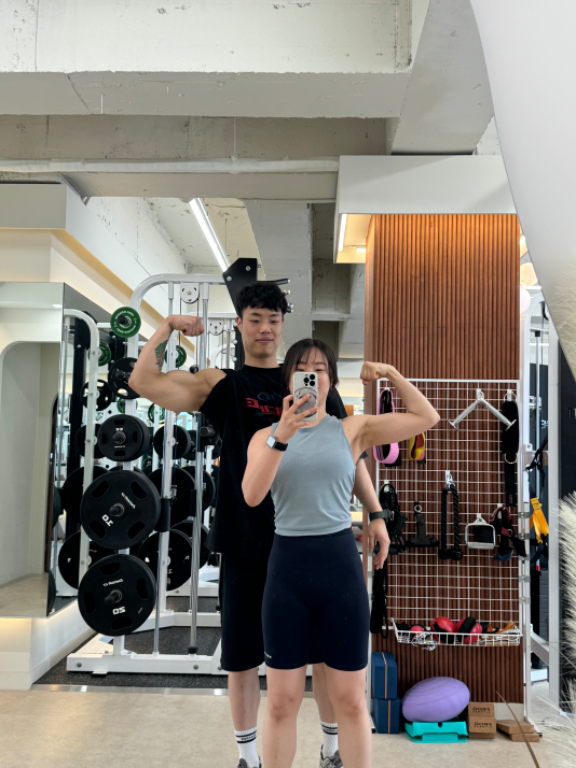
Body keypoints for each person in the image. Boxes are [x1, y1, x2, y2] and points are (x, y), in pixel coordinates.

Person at [128, 282, 390, 768]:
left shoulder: (312, 380)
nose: (265, 328)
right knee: (244, 655)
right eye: (255, 319)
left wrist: (374, 512)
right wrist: (167, 328)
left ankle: (331, 749)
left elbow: (347, 452)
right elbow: (144, 382)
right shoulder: (222, 385)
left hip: (309, 543)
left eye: (273, 319)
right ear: (240, 324)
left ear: (283, 324)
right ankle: (248, 757)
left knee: (322, 656)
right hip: (246, 538)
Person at [242, 339, 440, 768]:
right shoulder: (263, 437)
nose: (311, 376)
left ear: (330, 381)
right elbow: (252, 496)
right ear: (289, 380)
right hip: (287, 574)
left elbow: (427, 417)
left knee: (350, 700)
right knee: (282, 702)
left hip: (340, 572)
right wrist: (282, 436)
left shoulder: (352, 429)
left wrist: (390, 373)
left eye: (320, 369)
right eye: (302, 369)